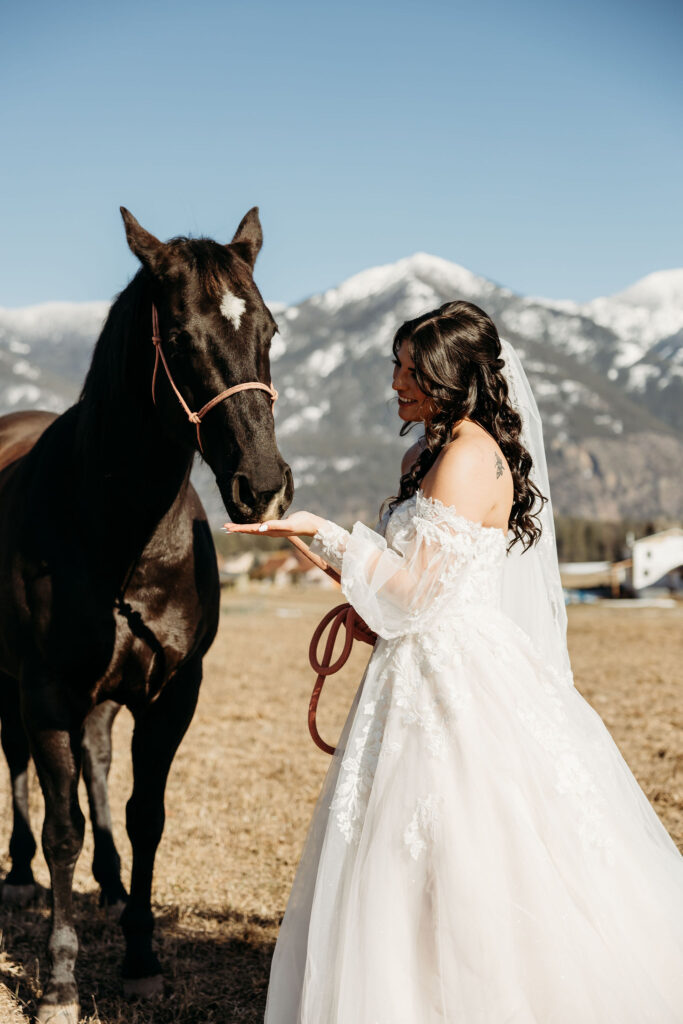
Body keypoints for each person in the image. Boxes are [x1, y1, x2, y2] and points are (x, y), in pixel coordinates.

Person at [226, 301, 683, 1023]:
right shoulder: (422, 458)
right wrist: (314, 554)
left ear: (451, 376)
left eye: (412, 372)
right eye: (396, 369)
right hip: (410, 667)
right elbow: (400, 591)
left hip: (457, 678)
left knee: (472, 844)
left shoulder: (470, 456)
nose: (397, 385)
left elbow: (411, 597)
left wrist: (326, 533)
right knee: (400, 855)